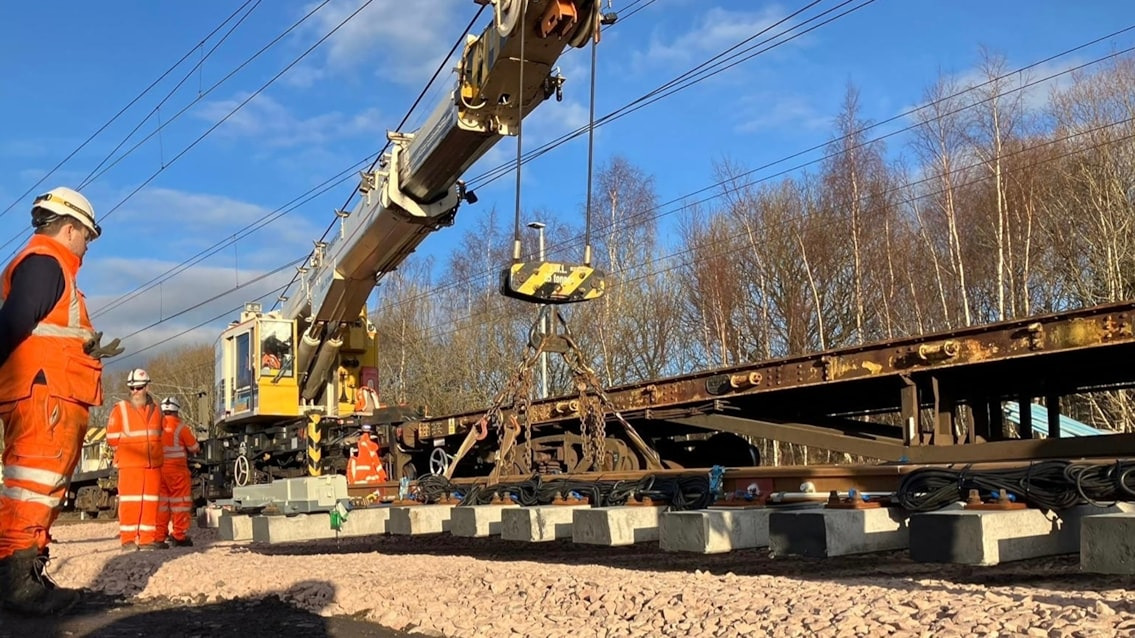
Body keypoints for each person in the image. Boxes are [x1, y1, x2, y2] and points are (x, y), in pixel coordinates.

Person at [0, 187, 122, 616]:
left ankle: (22, 575)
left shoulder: (42, 265)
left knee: (33, 489)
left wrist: (84, 348)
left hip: (42, 389)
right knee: (33, 487)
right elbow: (14, 322)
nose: (87, 246)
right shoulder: (46, 263)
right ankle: (18, 585)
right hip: (45, 394)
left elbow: (38, 329)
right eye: (86, 236)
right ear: (70, 229)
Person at [106, 369, 165, 551]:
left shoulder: (157, 409)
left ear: (147, 387)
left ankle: (147, 539)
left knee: (150, 503)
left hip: (152, 465)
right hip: (130, 465)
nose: (135, 391)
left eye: (138, 387)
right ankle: (128, 540)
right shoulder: (120, 410)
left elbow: (160, 433)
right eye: (132, 388)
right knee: (130, 503)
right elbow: (112, 438)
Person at [154, 396, 199, 547]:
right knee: (180, 503)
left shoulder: (156, 426)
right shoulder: (180, 427)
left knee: (162, 505)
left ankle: (159, 537)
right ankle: (179, 536)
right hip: (177, 471)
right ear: (176, 411)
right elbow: (194, 447)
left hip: (159, 470)